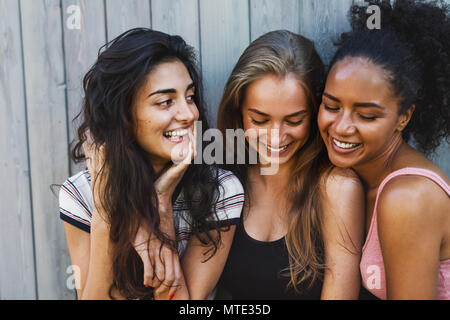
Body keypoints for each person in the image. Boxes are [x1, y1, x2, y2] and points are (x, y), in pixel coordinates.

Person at [58, 28, 244, 300]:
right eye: (166, 101)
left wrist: (161, 206)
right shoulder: (80, 194)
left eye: (190, 97)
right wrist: (109, 210)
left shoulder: (220, 192)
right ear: (124, 115)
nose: (188, 113)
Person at [215, 30, 365, 299]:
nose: (276, 137)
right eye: (260, 120)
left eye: (294, 120)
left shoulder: (337, 188)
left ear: (317, 111)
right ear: (237, 111)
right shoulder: (226, 182)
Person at [317, 0, 450, 299]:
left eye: (366, 115)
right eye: (331, 105)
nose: (341, 127)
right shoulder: (357, 178)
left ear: (404, 117)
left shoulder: (408, 198)